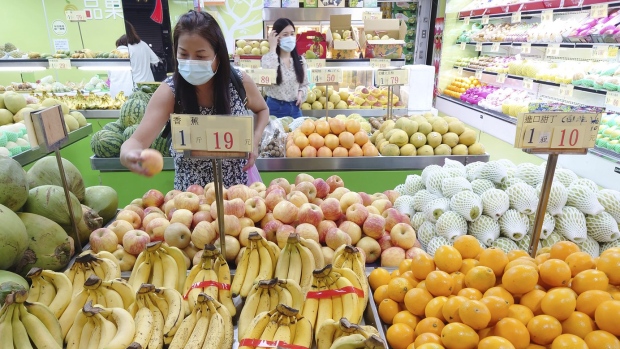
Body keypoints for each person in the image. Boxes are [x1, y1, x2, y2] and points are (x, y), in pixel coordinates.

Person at [120, 11, 269, 190]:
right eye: (183, 54)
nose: (190, 62)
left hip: (237, 196)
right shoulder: (170, 92)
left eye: (200, 56)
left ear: (218, 56)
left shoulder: (239, 81)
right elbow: (136, 141)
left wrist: (255, 138)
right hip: (190, 204)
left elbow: (262, 110)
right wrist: (130, 155)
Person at [261, 18, 309, 118]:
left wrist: (300, 94)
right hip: (275, 108)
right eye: (285, 35)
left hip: (295, 108)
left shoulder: (300, 60)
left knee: (297, 134)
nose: (290, 38)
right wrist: (272, 48)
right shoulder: (267, 59)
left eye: (292, 34)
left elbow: (304, 84)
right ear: (276, 37)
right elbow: (269, 77)